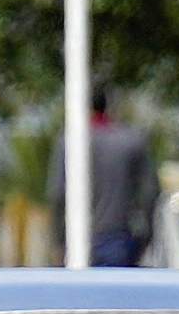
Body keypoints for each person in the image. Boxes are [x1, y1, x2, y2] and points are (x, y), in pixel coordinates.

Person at [60, 98, 158, 268]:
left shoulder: (69, 142)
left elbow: (57, 193)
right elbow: (150, 192)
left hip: (77, 238)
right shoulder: (131, 140)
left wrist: (59, 240)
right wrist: (147, 236)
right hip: (120, 236)